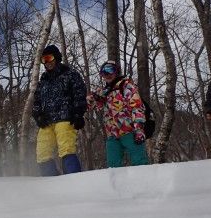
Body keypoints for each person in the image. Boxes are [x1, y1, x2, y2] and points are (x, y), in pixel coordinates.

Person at [32, 44, 87, 176]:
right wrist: (38, 115)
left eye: (50, 58)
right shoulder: (43, 80)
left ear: (56, 58)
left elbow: (79, 94)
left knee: (66, 149)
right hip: (47, 121)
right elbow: (37, 101)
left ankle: (73, 179)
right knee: (42, 153)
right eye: (44, 60)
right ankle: (51, 182)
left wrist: (78, 114)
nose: (47, 63)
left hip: (65, 117)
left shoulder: (70, 74)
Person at [86, 60, 149, 167]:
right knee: (113, 168)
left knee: (140, 163)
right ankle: (117, 183)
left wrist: (139, 129)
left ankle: (144, 182)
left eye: (110, 70)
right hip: (113, 135)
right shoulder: (104, 92)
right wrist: (91, 99)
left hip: (130, 132)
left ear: (116, 72)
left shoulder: (126, 86)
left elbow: (137, 107)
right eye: (103, 71)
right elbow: (88, 106)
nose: (107, 74)